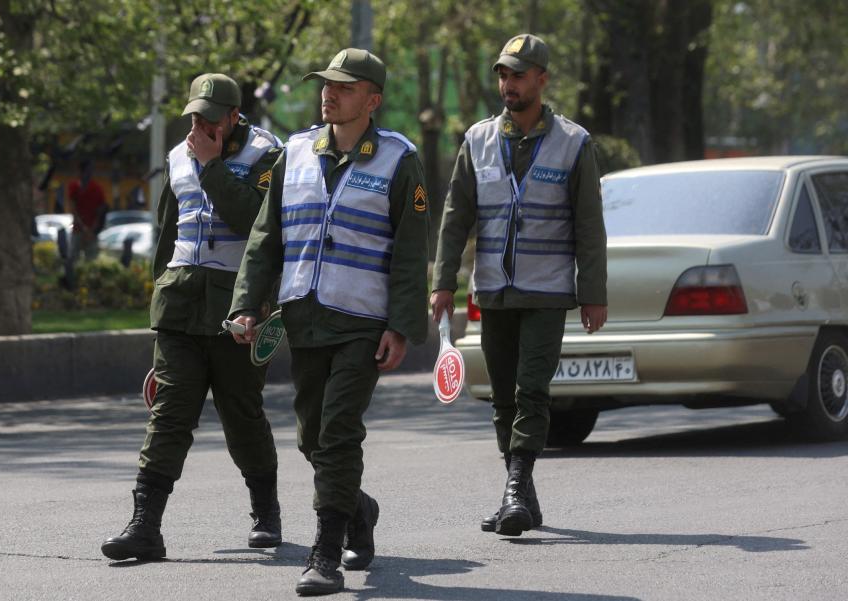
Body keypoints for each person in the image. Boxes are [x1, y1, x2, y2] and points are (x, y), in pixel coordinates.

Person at [228, 49, 429, 596]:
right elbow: (267, 238)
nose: (330, 93)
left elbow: (412, 252)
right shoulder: (293, 153)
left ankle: (325, 552)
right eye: (326, 84)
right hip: (304, 316)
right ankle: (359, 509)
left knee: (338, 432)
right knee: (312, 439)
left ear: (373, 99)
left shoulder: (397, 160)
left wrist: (402, 326)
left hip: (363, 320)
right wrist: (248, 303)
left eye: (344, 86)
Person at [430, 33, 608, 537]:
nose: (508, 84)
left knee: (532, 391)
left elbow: (590, 227)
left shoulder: (575, 143)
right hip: (494, 290)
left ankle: (513, 489)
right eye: (503, 75)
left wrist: (593, 292)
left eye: (519, 75)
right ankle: (522, 495)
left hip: (547, 292)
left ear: (542, 79)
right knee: (502, 398)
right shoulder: (478, 139)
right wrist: (442, 282)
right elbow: (454, 216)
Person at [101, 73, 284, 561]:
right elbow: (168, 231)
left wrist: (212, 167)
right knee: (169, 416)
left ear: (233, 117)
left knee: (241, 415)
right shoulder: (178, 155)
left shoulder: (267, 156)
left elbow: (258, 223)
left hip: (238, 308)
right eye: (194, 116)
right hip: (180, 305)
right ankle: (145, 525)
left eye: (210, 117)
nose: (200, 125)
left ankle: (265, 509)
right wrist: (160, 289)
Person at [68, 160, 107, 261]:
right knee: (73, 257)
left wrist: (92, 230)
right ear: (81, 171)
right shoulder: (74, 187)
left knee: (92, 259)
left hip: (92, 231)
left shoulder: (97, 188)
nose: (90, 173)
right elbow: (73, 209)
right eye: (87, 170)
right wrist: (84, 228)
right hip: (77, 229)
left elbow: (100, 211)